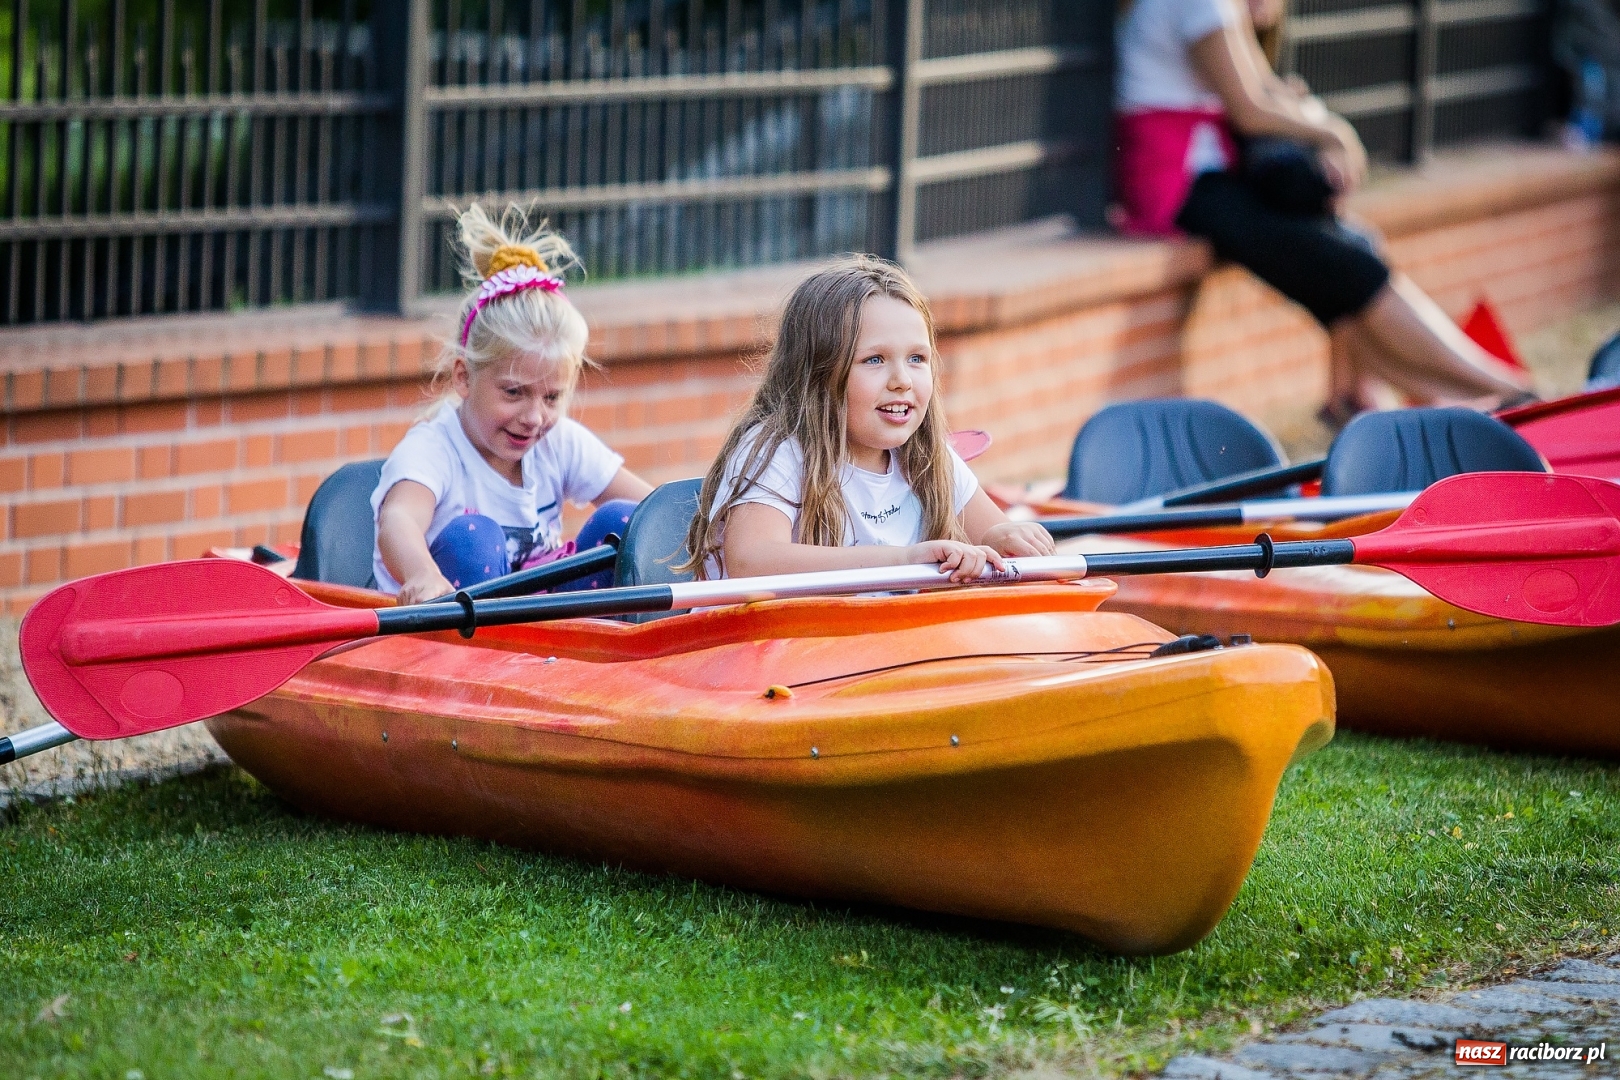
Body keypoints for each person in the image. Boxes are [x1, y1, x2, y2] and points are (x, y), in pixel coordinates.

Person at [1114, 0, 1534, 425]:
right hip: (1177, 182)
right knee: (1350, 268)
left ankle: (1418, 398)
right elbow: (1250, 108)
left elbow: (1263, 91)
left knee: (1354, 250)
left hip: (1207, 173)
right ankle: (1507, 395)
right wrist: (1337, 134)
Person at [680, 255, 1054, 582]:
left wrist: (1003, 538)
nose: (902, 380)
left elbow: (993, 531)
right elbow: (751, 559)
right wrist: (903, 560)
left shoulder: (930, 457)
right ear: (817, 375)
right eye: (874, 360)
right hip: (755, 650)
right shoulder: (779, 451)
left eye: (917, 359)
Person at [372, 205, 653, 605]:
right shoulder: (432, 450)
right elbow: (397, 519)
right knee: (475, 538)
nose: (535, 417)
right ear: (464, 377)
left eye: (552, 397)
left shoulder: (558, 442)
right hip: (453, 624)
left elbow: (654, 507)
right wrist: (421, 576)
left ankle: (610, 652)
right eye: (514, 393)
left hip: (534, 629)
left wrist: (714, 532)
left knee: (628, 521)